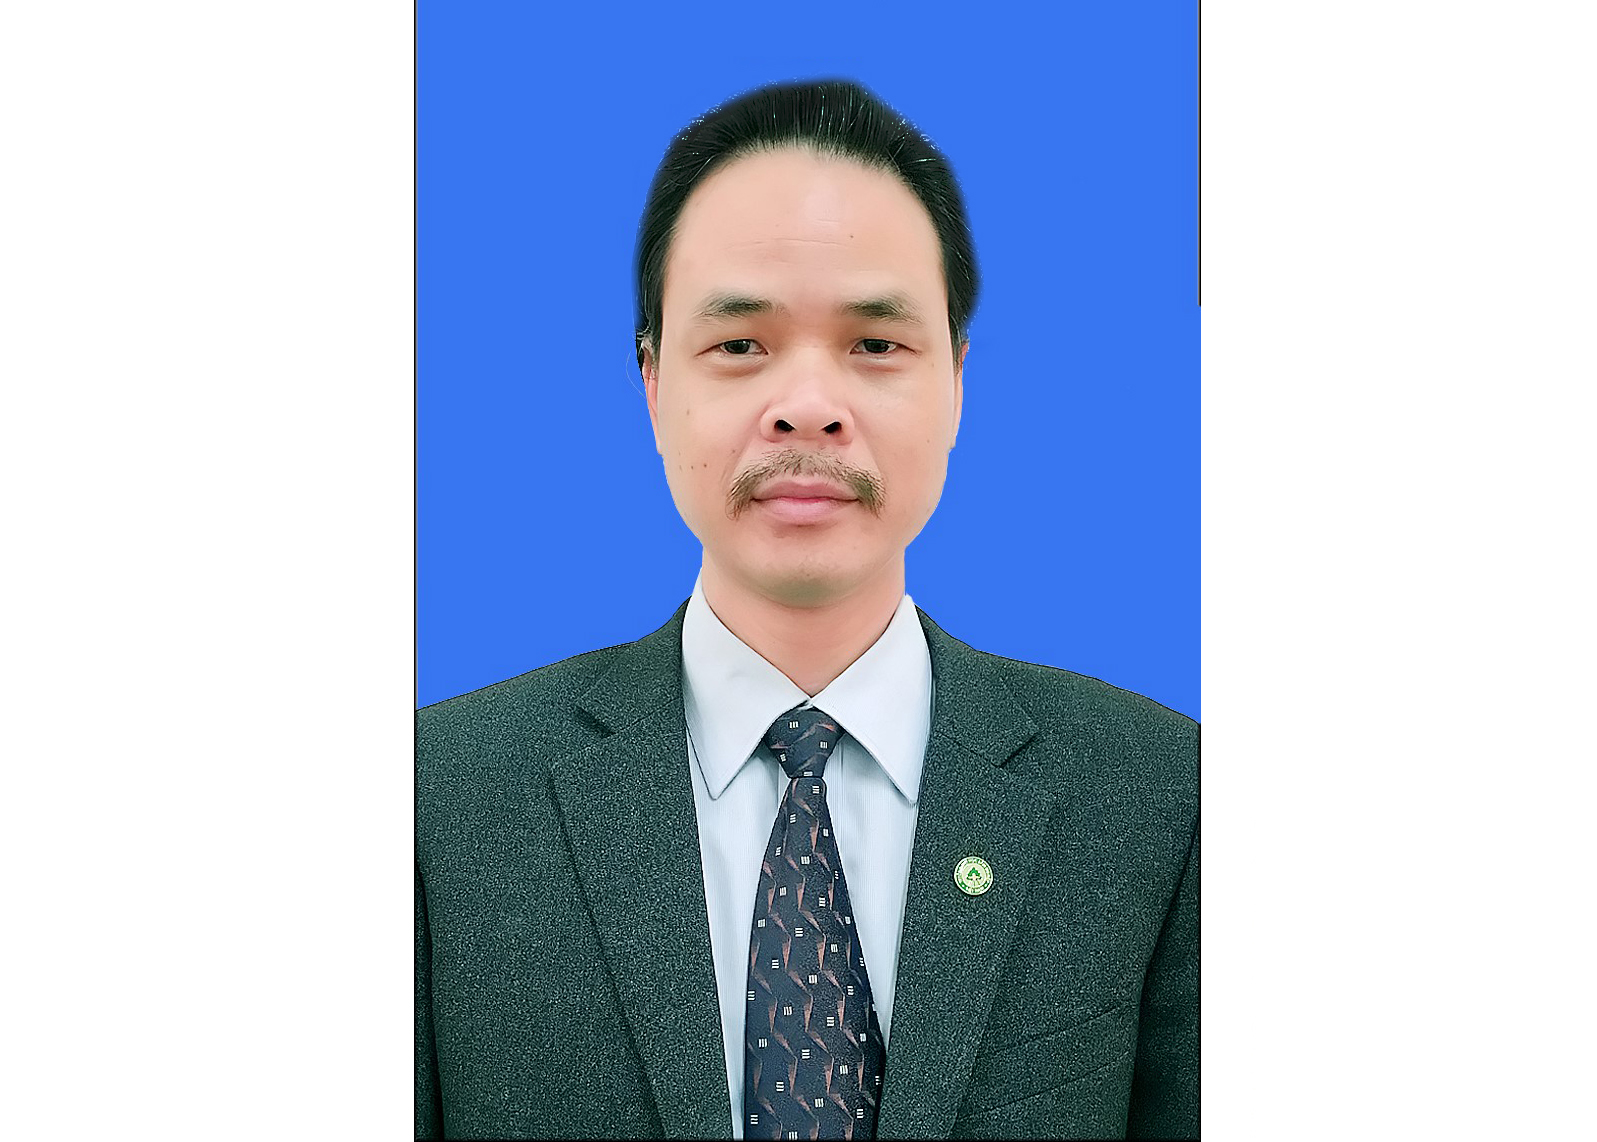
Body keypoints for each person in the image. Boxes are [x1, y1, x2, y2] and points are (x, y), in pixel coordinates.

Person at [416, 78, 1198, 1141]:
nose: (808, 406)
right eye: (740, 344)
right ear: (652, 383)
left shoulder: (1160, 794)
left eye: (875, 345)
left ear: (956, 382)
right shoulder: (438, 798)